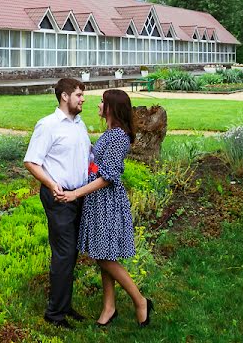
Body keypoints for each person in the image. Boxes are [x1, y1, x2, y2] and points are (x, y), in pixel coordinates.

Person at [57, 88, 154, 328]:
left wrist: (75, 194)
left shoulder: (118, 136)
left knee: (104, 257)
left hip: (106, 200)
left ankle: (140, 301)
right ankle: (109, 307)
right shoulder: (110, 133)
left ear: (111, 107)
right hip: (98, 200)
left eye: (102, 102)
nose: (97, 105)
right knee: (103, 253)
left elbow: (108, 176)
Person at [23, 78, 91, 329]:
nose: (83, 99)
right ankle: (54, 315)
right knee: (64, 254)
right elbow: (31, 162)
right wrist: (52, 185)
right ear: (64, 96)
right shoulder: (48, 125)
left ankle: (64, 305)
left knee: (71, 253)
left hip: (78, 196)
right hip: (59, 197)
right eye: (79, 95)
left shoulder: (79, 124)